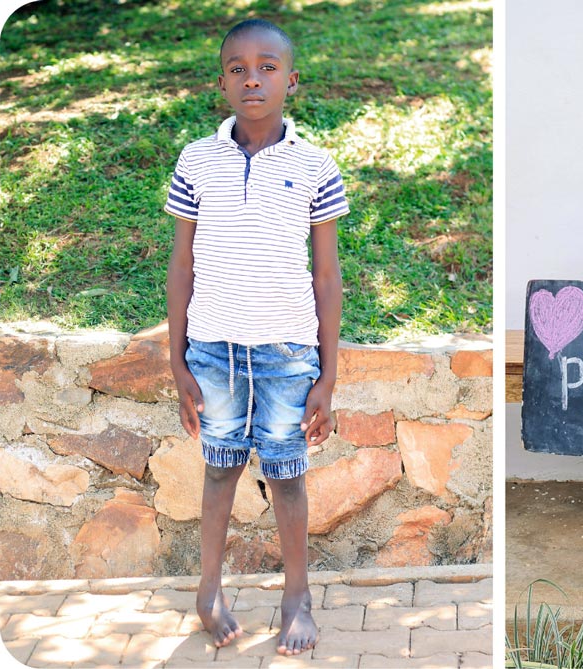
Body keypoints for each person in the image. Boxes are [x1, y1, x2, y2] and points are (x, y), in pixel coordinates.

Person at [165, 18, 347, 656]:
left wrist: (327, 376)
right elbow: (182, 265)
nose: (252, 79)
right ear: (221, 82)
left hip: (287, 353)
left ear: (291, 80)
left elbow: (326, 276)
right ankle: (208, 591)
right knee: (219, 470)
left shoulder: (316, 166)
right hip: (213, 351)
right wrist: (177, 362)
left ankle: (297, 596)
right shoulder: (197, 160)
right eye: (237, 69)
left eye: (267, 67)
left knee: (287, 477)